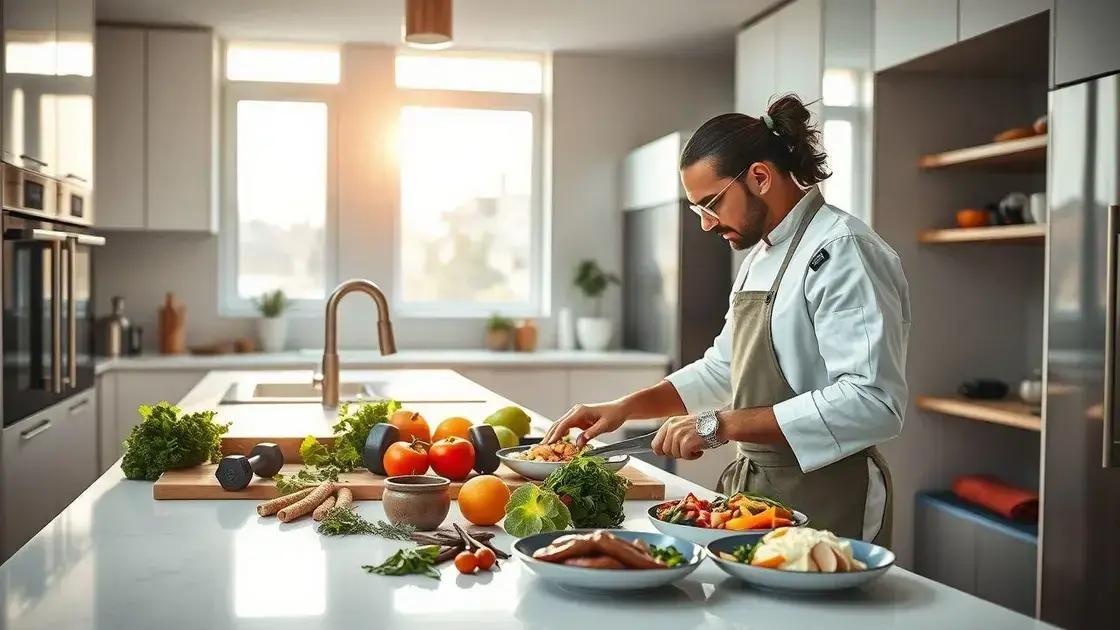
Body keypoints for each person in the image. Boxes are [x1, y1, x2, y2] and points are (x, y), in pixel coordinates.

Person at [543, 94, 910, 544]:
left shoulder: (845, 250)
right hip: (757, 496)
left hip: (832, 496)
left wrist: (721, 425)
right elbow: (724, 366)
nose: (706, 224)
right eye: (698, 209)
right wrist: (626, 408)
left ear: (759, 176)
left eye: (711, 203)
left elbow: (873, 402)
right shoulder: (760, 257)